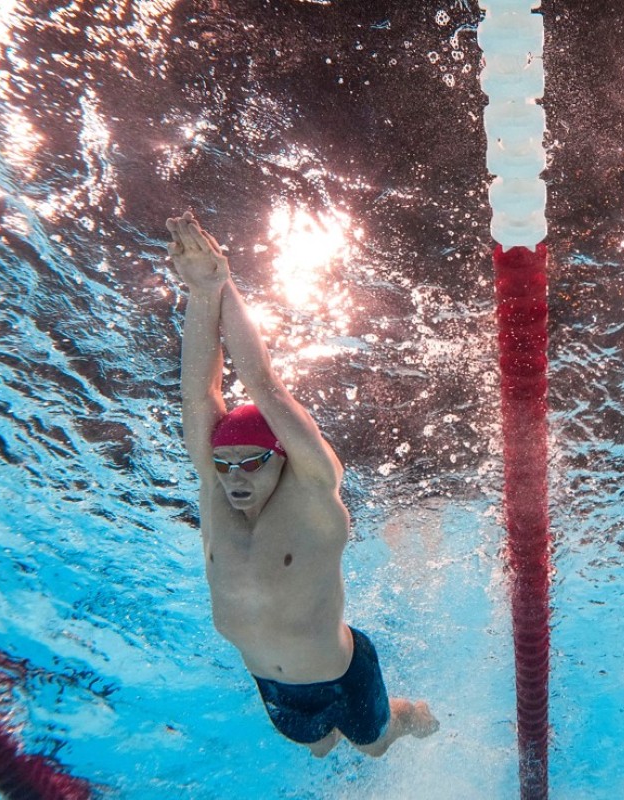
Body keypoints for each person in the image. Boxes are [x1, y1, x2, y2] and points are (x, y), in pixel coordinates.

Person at [166, 211, 438, 757]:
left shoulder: (313, 487)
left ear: (281, 456)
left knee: (374, 745)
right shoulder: (218, 490)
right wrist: (199, 295)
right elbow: (200, 397)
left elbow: (264, 384)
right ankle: (342, 733)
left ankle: (406, 716)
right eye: (223, 463)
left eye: (251, 463)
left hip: (343, 674)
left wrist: (218, 286)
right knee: (318, 747)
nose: (234, 478)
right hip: (273, 685)